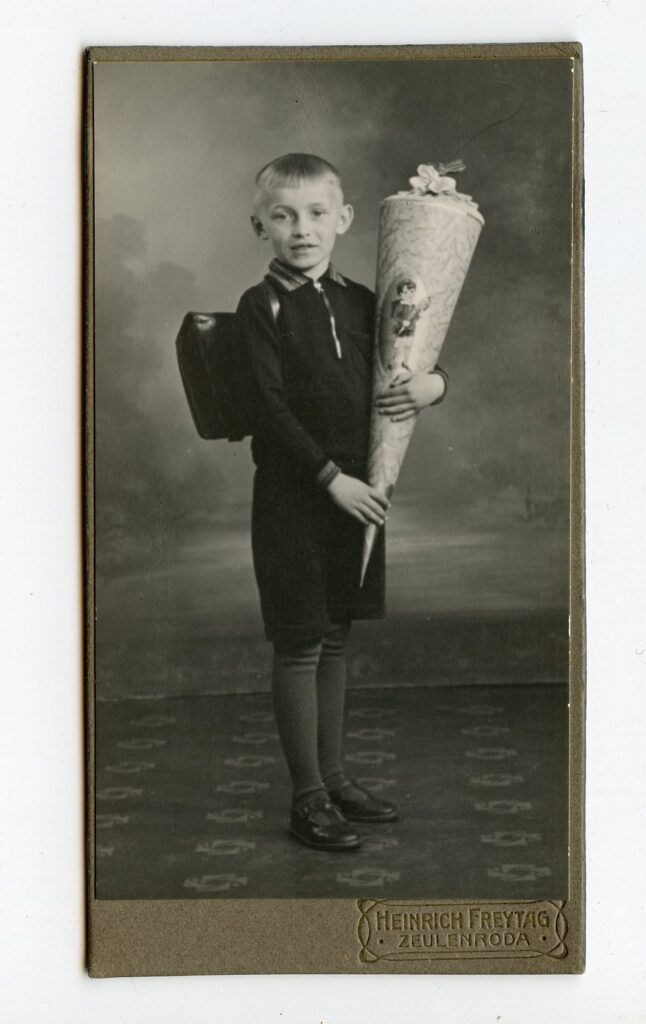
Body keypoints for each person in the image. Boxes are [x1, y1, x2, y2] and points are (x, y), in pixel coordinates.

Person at [236, 153, 447, 851]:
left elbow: (409, 358)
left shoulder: (363, 301)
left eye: (317, 214)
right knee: (298, 644)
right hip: (298, 498)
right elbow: (267, 411)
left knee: (335, 638)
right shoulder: (258, 307)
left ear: (344, 220)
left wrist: (432, 386)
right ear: (259, 224)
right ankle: (307, 798)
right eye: (284, 215)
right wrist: (331, 478)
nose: (302, 229)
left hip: (361, 493)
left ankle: (334, 777)